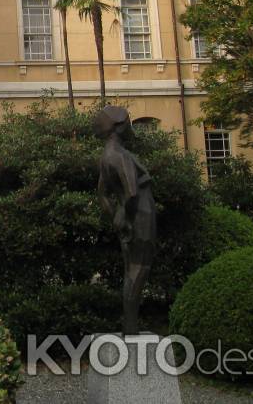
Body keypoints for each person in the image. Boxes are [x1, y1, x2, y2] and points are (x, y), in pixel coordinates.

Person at [94, 105, 157, 336]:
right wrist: (125, 216)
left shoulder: (106, 155)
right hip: (141, 214)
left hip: (131, 216)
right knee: (139, 268)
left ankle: (130, 325)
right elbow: (131, 191)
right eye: (129, 122)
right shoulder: (119, 155)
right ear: (119, 127)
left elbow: (102, 194)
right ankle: (131, 326)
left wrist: (116, 216)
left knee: (133, 269)